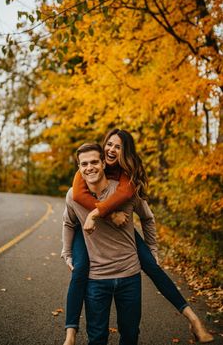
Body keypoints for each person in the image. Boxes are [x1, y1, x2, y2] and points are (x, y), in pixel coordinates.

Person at [62, 129, 214, 345]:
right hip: (85, 227)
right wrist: (106, 214)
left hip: (118, 230)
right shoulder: (85, 170)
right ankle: (70, 334)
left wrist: (152, 249)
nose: (111, 150)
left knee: (152, 265)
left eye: (118, 147)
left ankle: (193, 318)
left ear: (123, 154)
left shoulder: (126, 178)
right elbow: (77, 197)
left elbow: (139, 208)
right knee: (80, 271)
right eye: (109, 144)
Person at [62, 143, 157, 345]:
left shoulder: (125, 191)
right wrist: (67, 252)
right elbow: (68, 223)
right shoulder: (73, 196)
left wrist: (152, 249)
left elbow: (148, 218)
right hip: (96, 279)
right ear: (79, 168)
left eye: (94, 162)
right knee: (97, 338)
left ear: (104, 163)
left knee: (130, 335)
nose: (90, 167)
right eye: (84, 164)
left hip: (129, 276)